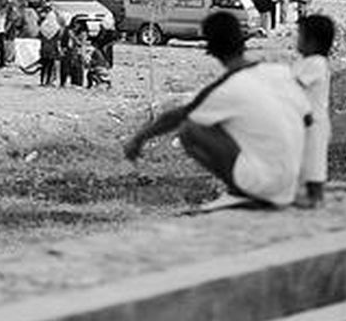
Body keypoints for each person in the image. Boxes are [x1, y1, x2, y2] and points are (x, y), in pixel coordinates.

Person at [123, 12, 311, 209]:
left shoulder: (226, 89)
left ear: (211, 49)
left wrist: (139, 138)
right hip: (293, 178)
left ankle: (239, 191)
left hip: (264, 185)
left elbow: (180, 115)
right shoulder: (280, 72)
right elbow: (307, 120)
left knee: (190, 130)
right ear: (242, 40)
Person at [294, 15, 334, 209]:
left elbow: (296, 84)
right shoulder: (304, 62)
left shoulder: (316, 63)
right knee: (305, 160)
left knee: (314, 162)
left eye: (300, 36)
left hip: (314, 121)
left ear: (312, 41)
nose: (297, 41)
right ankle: (309, 195)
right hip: (303, 120)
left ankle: (316, 197)